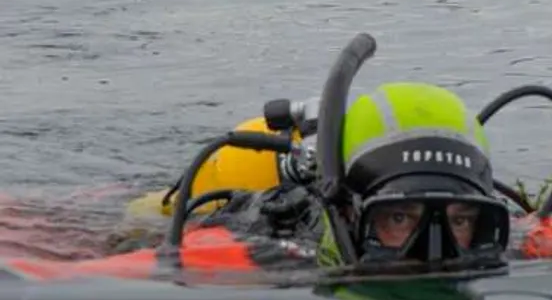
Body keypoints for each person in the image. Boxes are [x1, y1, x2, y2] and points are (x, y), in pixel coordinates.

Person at [192, 81, 523, 275]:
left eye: (461, 221)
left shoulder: (502, 243)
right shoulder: (273, 251)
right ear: (350, 213)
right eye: (399, 217)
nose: (432, 254)